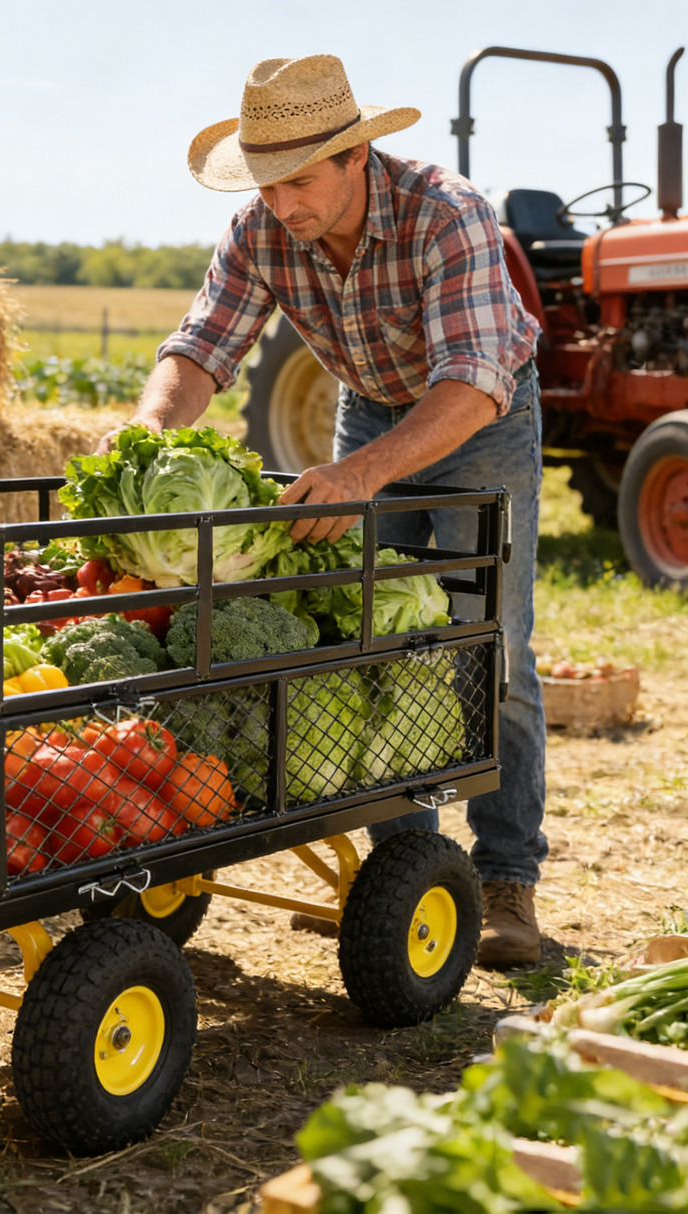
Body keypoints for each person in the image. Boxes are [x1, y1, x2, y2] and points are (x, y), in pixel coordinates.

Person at [98, 54, 546, 968]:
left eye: (299, 180)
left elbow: (473, 380)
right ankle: (404, 875)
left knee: (489, 642)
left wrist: (358, 477)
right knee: (362, 638)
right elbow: (203, 346)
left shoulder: (444, 211)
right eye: (266, 184)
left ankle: (507, 878)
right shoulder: (262, 227)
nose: (282, 202)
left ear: (356, 158)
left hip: (481, 416)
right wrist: (146, 428)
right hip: (370, 406)